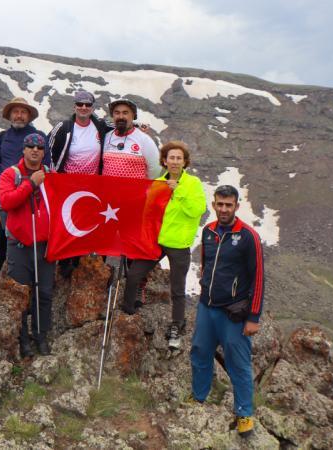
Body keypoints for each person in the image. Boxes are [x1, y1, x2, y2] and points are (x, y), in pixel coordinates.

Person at [189, 185, 265, 437]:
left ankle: (244, 415)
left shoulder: (248, 236)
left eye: (228, 205)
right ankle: (199, 398)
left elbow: (259, 278)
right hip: (207, 308)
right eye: (219, 204)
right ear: (214, 205)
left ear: (236, 206)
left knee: (239, 364)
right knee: (200, 352)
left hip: (233, 313)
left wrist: (253, 317)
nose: (223, 209)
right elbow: (205, 266)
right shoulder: (208, 232)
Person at [120, 141, 206, 350]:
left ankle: (177, 324)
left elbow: (198, 210)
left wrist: (178, 192)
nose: (175, 162)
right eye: (171, 158)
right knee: (133, 275)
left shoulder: (192, 184)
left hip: (178, 243)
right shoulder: (158, 182)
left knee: (177, 288)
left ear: (184, 162)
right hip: (155, 241)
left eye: (179, 158)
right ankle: (127, 312)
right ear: (164, 161)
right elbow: (148, 212)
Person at [0, 133, 55, 357]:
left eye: (39, 147)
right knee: (20, 293)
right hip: (19, 244)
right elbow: (7, 201)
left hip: (45, 244)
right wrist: (31, 184)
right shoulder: (11, 174)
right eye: (30, 146)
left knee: (45, 292)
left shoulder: (52, 175)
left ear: (44, 152)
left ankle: (41, 336)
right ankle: (22, 340)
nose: (34, 150)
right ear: (23, 149)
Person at [47, 90, 112, 278]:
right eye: (80, 104)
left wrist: (140, 126)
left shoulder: (99, 125)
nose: (83, 108)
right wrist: (53, 175)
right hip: (67, 184)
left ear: (93, 108)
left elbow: (119, 127)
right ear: (74, 105)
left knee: (85, 226)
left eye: (88, 105)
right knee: (67, 223)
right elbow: (48, 149)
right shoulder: (63, 127)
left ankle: (77, 262)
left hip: (91, 185)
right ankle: (63, 263)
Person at [0, 97, 47, 275]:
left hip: (33, 193)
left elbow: (47, 163)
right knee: (1, 235)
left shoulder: (39, 137)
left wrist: (33, 183)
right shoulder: (2, 137)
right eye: (16, 112)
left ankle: (23, 273)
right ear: (10, 115)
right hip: (7, 193)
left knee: (28, 232)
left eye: (23, 112)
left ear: (29, 116)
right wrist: (5, 180)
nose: (19, 115)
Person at [101, 99, 162, 180]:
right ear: (113, 115)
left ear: (133, 116)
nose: (121, 116)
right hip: (108, 191)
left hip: (134, 191)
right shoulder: (107, 137)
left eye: (125, 113)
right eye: (117, 112)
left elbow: (155, 168)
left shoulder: (144, 139)